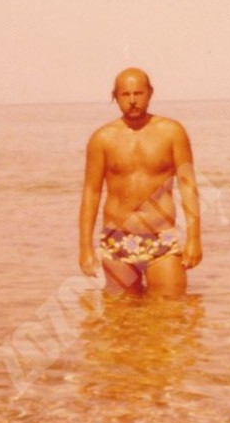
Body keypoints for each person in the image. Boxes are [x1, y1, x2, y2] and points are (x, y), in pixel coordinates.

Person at [78, 68, 202, 296]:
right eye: (125, 95)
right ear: (115, 96)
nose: (133, 100)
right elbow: (91, 192)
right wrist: (85, 247)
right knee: (122, 319)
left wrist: (194, 238)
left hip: (161, 238)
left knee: (172, 312)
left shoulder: (172, 132)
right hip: (117, 241)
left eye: (138, 93)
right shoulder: (102, 139)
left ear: (150, 93)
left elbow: (188, 187)